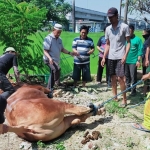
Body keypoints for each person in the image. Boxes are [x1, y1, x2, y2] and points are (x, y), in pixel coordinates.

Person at [101, 7, 130, 107]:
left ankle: (124, 100)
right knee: (113, 78)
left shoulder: (124, 27)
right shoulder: (108, 29)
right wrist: (104, 57)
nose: (110, 19)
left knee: (121, 78)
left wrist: (125, 55)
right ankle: (115, 96)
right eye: (109, 17)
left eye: (112, 17)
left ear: (117, 16)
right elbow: (107, 44)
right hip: (111, 57)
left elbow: (128, 43)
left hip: (120, 56)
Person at [0, 47, 28, 134]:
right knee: (10, 90)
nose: (15, 54)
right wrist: (19, 82)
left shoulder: (2, 56)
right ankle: (0, 100)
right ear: (12, 52)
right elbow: (16, 70)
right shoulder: (12, 56)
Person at [43, 24, 74, 98]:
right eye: (57, 32)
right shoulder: (48, 38)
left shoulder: (59, 39)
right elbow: (45, 50)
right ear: (53, 30)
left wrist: (70, 53)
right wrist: (50, 58)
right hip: (48, 59)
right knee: (56, 69)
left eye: (60, 32)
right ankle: (56, 83)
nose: (59, 34)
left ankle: (49, 88)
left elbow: (62, 49)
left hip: (56, 60)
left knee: (53, 73)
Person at [125, 25, 143, 96]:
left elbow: (140, 51)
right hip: (126, 60)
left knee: (133, 76)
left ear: (133, 31)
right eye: (127, 31)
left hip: (133, 61)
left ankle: (133, 90)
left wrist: (138, 60)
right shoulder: (125, 39)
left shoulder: (138, 40)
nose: (129, 33)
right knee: (127, 75)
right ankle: (128, 87)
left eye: (130, 31)